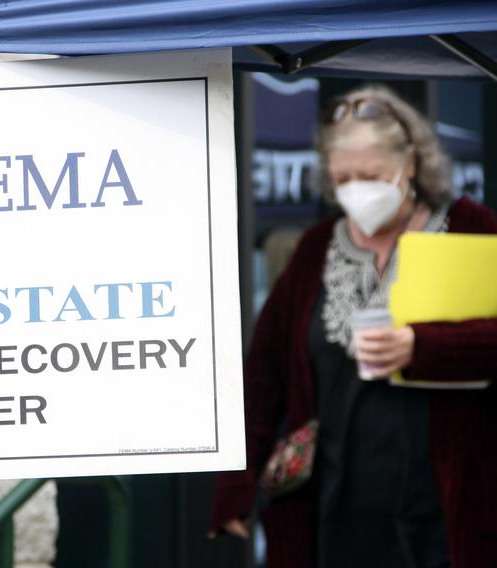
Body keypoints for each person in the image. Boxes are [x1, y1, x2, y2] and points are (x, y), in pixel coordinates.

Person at [209, 85, 497, 568]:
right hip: (334, 505)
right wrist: (237, 481)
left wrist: (422, 346)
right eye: (342, 178)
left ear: (410, 164)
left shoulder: (472, 226)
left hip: (448, 505)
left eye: (371, 175)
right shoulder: (316, 247)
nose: (356, 190)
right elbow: (263, 375)